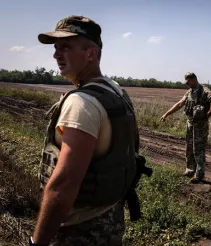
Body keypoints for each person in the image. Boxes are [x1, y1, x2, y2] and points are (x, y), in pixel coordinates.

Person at [30, 15, 139, 245]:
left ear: (91, 54)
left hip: (80, 232)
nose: (56, 54)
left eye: (66, 47)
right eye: (56, 47)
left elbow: (63, 185)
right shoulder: (114, 90)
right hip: (110, 220)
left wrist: (37, 242)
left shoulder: (82, 103)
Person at [160, 72, 211, 183]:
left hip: (200, 126)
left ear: (193, 79)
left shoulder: (204, 91)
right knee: (189, 148)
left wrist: (207, 116)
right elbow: (179, 104)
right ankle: (190, 170)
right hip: (190, 124)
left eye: (188, 82)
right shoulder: (189, 92)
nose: (187, 84)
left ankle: (199, 175)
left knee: (198, 149)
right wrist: (166, 114)